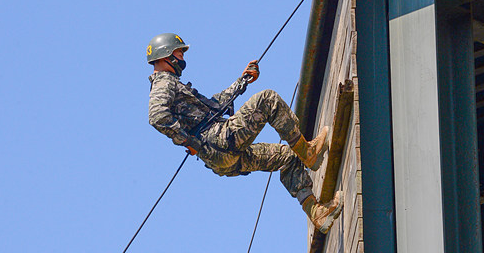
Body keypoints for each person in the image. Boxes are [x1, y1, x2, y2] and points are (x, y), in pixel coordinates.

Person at [147, 32, 343, 234]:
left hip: (220, 158)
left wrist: (243, 81)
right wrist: (191, 142)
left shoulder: (173, 84)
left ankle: (317, 213)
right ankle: (308, 152)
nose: (182, 58)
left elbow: (215, 107)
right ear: (166, 55)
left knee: (287, 157)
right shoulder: (164, 82)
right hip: (218, 140)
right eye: (179, 53)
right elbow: (157, 116)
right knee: (267, 100)